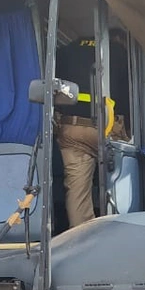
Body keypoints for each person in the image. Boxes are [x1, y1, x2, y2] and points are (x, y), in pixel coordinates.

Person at [53, 32, 131, 228]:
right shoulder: (119, 51)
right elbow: (127, 94)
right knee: (122, 178)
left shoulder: (65, 51)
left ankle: (82, 238)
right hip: (108, 126)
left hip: (73, 128)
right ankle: (122, 229)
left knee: (77, 189)